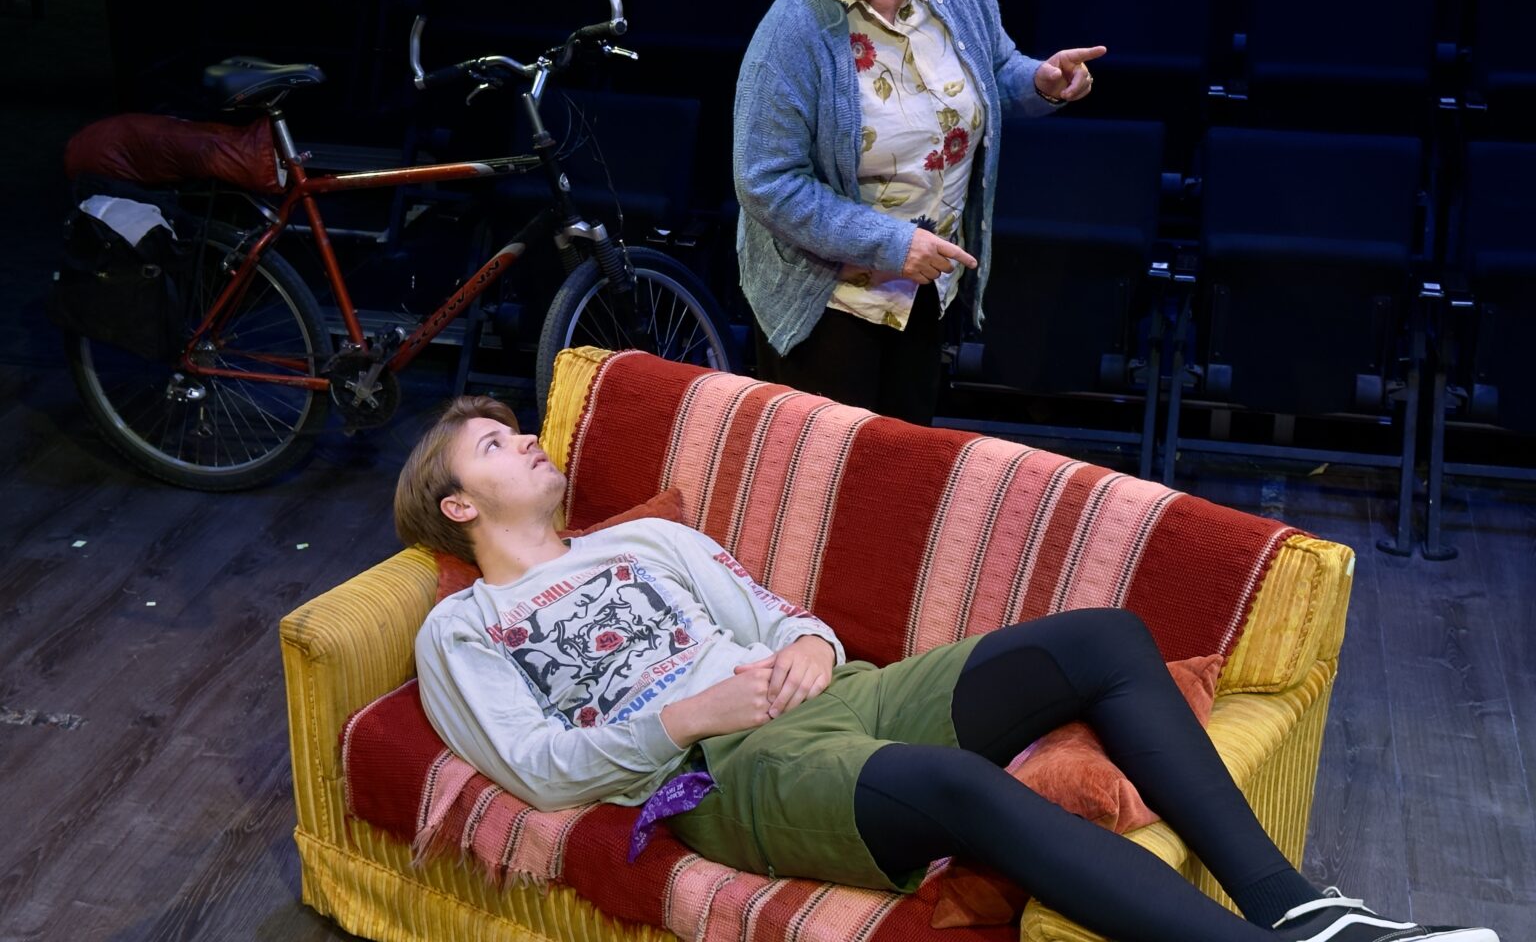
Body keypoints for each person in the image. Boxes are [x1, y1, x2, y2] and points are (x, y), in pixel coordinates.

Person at [398, 393, 1498, 942]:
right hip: (722, 774)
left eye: (516, 429)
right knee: (961, 788)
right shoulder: (463, 630)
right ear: (457, 507)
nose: (526, 439)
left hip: (840, 694)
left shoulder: (649, 542)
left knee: (1103, 638)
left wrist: (808, 646)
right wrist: (692, 714)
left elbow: (783, 616)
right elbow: (534, 767)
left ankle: (1299, 912)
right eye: (494, 444)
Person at [733, 0, 1106, 426]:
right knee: (830, 475)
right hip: (829, 303)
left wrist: (1040, 82)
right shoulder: (792, 31)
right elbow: (765, 182)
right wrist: (892, 244)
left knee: (904, 468)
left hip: (924, 286)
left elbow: (993, 68)